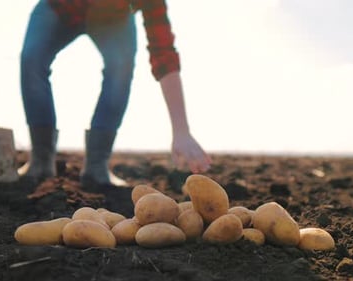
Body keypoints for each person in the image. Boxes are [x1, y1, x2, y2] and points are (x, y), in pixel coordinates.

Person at [18, 0, 211, 187]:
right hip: (60, 8)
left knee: (121, 68)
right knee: (31, 58)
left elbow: (163, 55)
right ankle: (40, 160)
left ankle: (97, 166)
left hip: (113, 21)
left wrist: (181, 130)